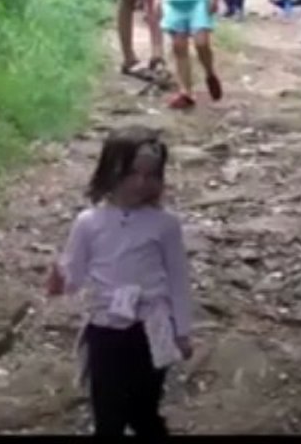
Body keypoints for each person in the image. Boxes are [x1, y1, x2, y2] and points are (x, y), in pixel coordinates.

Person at [46, 127, 194, 437]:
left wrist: (182, 331)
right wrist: (61, 280)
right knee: (107, 410)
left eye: (151, 175)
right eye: (132, 173)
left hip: (152, 326)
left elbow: (179, 278)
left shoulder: (164, 225)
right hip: (105, 326)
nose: (141, 183)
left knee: (144, 408)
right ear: (111, 171)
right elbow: (74, 272)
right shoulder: (89, 222)